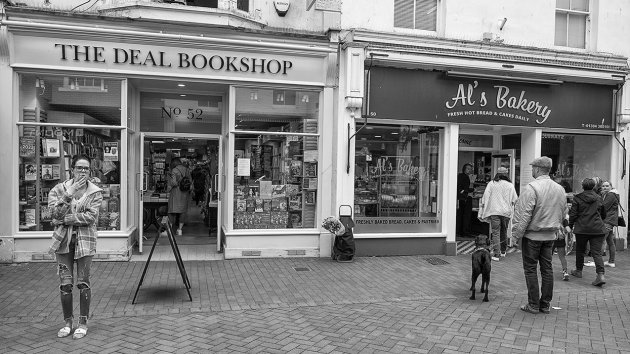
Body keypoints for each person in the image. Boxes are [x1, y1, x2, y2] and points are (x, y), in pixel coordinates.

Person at [47, 155, 103, 339]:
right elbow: (53, 213)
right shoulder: (59, 189)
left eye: (86, 169)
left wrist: (67, 219)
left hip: (85, 242)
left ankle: (83, 322)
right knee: (65, 284)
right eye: (79, 168)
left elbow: (92, 217)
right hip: (63, 242)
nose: (83, 172)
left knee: (83, 282)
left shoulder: (95, 192)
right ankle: (67, 322)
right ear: (72, 169)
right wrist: (70, 192)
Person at [511, 156, 566, 314]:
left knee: (530, 269)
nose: (532, 170)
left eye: (532, 168)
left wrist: (516, 235)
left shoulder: (532, 188)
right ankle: (545, 304)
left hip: (533, 236)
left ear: (537, 169)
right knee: (547, 269)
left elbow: (523, 215)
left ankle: (533, 304)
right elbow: (563, 212)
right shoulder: (559, 189)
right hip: (550, 236)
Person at [569, 178, 607, 286]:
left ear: (582, 186)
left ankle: (578, 270)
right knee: (597, 253)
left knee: (580, 250)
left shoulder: (577, 198)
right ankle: (600, 275)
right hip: (597, 228)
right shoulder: (599, 198)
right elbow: (603, 213)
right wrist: (600, 221)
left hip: (582, 228)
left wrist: (570, 225)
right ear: (594, 186)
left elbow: (573, 214)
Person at [478, 166, 518, 261]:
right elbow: (515, 199)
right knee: (504, 231)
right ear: (506, 174)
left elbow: (485, 197)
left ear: (497, 174)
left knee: (495, 232)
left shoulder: (491, 184)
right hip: (506, 212)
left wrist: (483, 210)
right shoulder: (510, 185)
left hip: (494, 211)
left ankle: (497, 254)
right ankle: (503, 251)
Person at [167, 157, 192, 236]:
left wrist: (176, 184)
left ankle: (170, 230)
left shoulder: (174, 170)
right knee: (182, 211)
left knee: (172, 211)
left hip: (176, 193)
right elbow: (190, 181)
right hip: (184, 193)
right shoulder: (187, 170)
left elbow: (173, 183)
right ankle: (180, 230)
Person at [600, 181, 619, 267]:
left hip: (608, 220)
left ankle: (598, 261)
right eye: (603, 186)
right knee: (610, 241)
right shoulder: (609, 194)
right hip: (611, 220)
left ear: (611, 187)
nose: (605, 187)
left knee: (600, 240)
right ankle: (611, 262)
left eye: (607, 186)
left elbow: (603, 207)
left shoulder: (610, 195)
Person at [456, 163, 474, 237]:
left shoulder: (460, 176)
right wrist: (472, 189)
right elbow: (464, 189)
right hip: (464, 198)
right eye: (468, 169)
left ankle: (459, 231)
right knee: (465, 215)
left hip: (461, 198)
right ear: (464, 169)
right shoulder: (465, 177)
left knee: (460, 215)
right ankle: (464, 232)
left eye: (470, 169)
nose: (469, 170)